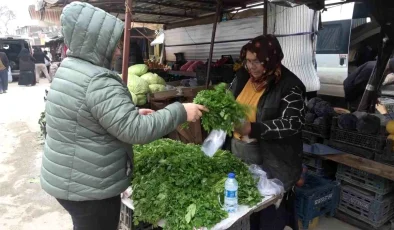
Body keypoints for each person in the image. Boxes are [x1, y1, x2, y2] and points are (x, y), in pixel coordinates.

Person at [40, 2, 207, 230]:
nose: (118, 51)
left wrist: (129, 112)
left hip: (70, 178)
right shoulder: (98, 80)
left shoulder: (70, 69)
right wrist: (180, 111)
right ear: (96, 42)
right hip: (90, 186)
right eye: (114, 45)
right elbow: (135, 131)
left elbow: (84, 115)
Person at [230, 35, 306, 230]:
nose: (251, 66)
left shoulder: (290, 86)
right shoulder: (243, 77)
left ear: (271, 59)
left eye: (257, 61)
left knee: (271, 213)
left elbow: (291, 123)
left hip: (274, 160)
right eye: (247, 61)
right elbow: (228, 100)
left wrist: (252, 128)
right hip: (243, 156)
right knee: (252, 208)